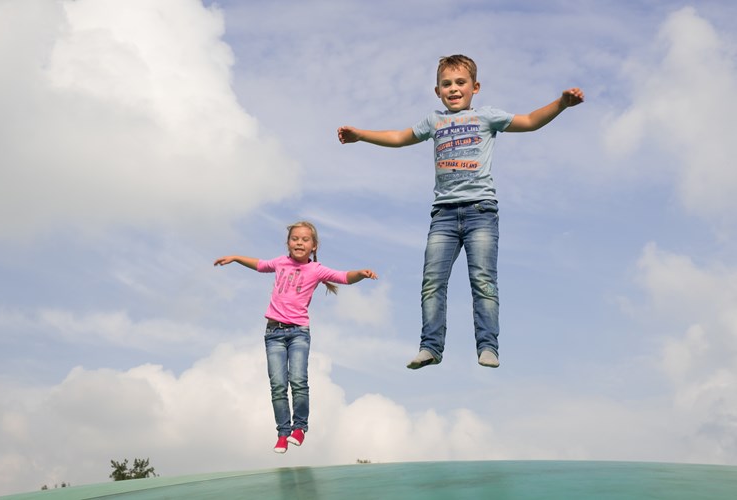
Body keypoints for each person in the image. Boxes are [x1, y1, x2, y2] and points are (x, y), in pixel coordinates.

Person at [337, 54, 584, 370]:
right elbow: (399, 137)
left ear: (475, 87)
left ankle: (488, 346)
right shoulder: (434, 122)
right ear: (437, 90)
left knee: (483, 280)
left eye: (460, 83)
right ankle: (430, 347)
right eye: (446, 84)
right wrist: (361, 135)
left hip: (481, 211)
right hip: (443, 215)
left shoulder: (486, 117)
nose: (453, 89)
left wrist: (560, 103)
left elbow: (530, 121)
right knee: (432, 281)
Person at [214, 221, 378, 453]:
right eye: (295, 239)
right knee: (278, 385)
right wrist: (235, 258)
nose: (299, 243)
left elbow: (343, 277)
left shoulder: (316, 269)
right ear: (288, 243)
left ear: (314, 246)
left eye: (304, 240)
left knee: (298, 381)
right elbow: (260, 265)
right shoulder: (281, 263)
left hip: (299, 333)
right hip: (273, 334)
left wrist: (361, 274)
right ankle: (283, 433)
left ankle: (299, 428)